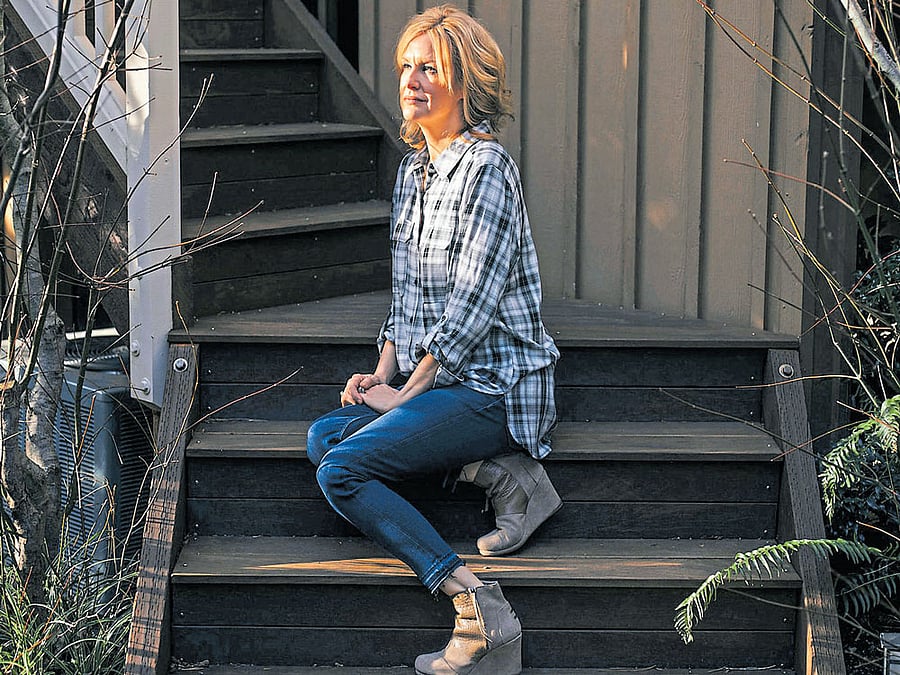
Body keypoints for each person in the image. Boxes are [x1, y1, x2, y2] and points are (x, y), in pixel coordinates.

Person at [306, 5, 560, 673]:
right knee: (323, 434)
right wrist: (379, 372)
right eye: (405, 68)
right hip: (439, 384)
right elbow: (407, 300)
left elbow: (470, 311)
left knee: (343, 467)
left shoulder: (487, 169)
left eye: (430, 69)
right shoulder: (413, 172)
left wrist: (402, 397)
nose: (411, 81)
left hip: (493, 387)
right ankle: (503, 475)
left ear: (465, 84)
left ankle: (479, 609)